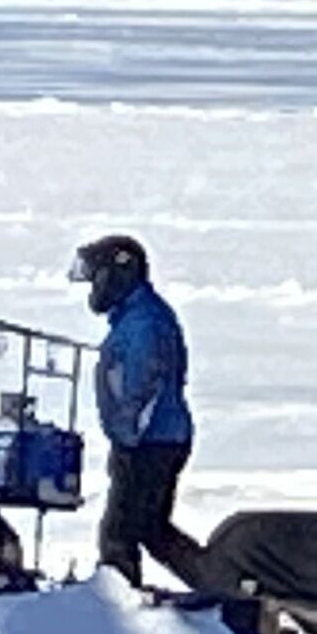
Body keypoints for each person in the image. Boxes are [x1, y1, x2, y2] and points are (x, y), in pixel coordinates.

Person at [75, 232, 207, 591]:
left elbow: (146, 383)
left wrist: (129, 435)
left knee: (120, 532)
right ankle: (221, 585)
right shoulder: (134, 317)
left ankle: (118, 605)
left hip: (151, 441)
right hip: (154, 438)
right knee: (151, 529)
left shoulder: (145, 322)